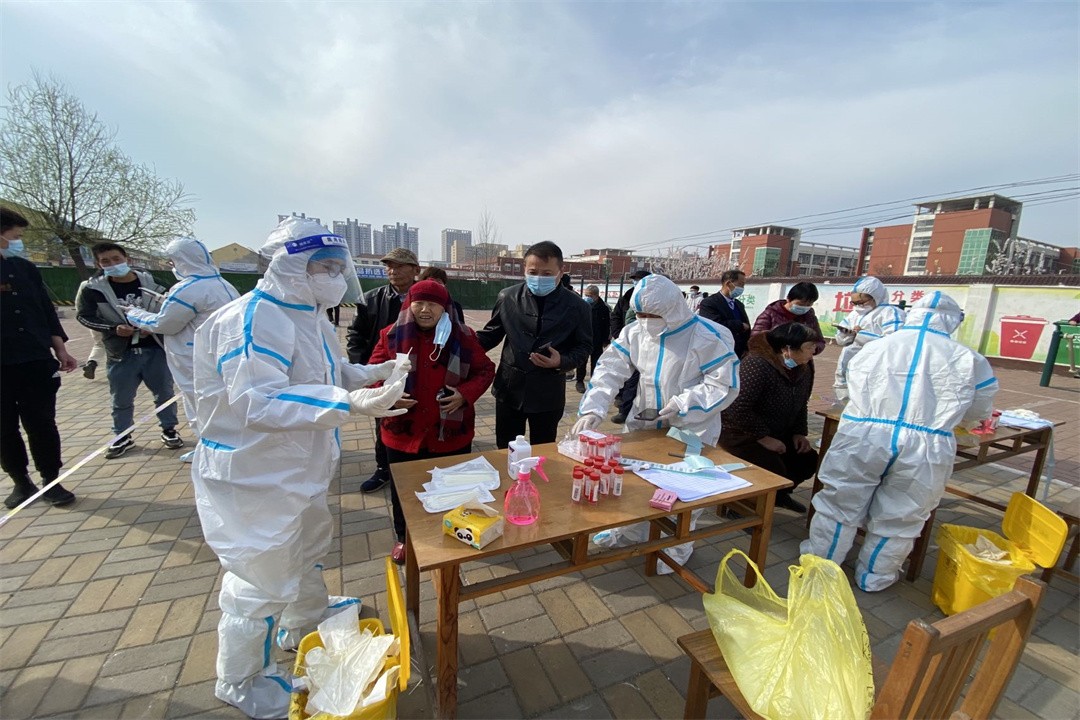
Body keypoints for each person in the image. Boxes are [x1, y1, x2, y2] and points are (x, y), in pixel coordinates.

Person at [191, 217, 409, 718]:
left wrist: (375, 372)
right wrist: (348, 402)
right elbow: (257, 400)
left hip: (298, 464)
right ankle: (242, 677)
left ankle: (305, 618)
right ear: (289, 266)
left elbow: (327, 371)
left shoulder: (309, 313)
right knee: (261, 575)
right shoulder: (253, 317)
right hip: (255, 472)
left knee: (307, 546)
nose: (333, 276)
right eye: (322, 266)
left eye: (337, 266)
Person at [802, 292, 998, 592]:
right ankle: (874, 577)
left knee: (839, 502)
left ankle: (821, 566)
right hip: (926, 444)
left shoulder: (876, 347)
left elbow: (850, 383)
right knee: (902, 514)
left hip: (864, 434)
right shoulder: (969, 359)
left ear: (913, 314)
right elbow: (979, 410)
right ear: (951, 320)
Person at [368, 279, 495, 564]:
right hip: (403, 432)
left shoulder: (463, 336)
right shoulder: (390, 335)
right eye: (420, 303)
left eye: (433, 304)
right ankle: (404, 537)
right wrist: (388, 396)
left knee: (452, 489)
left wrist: (464, 394)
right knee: (403, 493)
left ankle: (451, 532)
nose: (425, 310)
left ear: (445, 308)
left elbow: (485, 370)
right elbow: (372, 373)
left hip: (450, 433)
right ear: (409, 304)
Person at [574, 274, 740, 444]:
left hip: (692, 426)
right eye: (641, 315)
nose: (646, 322)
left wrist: (683, 403)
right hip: (644, 422)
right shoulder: (634, 332)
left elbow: (722, 384)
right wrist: (593, 409)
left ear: (673, 309)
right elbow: (609, 370)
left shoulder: (709, 335)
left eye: (653, 315)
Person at [124, 237, 240, 462]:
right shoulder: (224, 285)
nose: (172, 266)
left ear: (181, 260)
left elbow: (164, 324)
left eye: (172, 261)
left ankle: (210, 452)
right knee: (220, 404)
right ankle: (222, 448)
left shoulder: (188, 288)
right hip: (219, 353)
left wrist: (135, 314)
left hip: (193, 358)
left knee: (199, 405)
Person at [477, 241, 592, 448]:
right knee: (506, 448)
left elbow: (584, 347)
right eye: (533, 272)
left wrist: (562, 361)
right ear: (524, 268)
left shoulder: (577, 306)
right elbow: (490, 336)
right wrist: (458, 344)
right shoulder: (508, 297)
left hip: (548, 392)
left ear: (561, 271)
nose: (539, 278)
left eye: (547, 273)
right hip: (509, 390)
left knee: (544, 448)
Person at [76, 242, 184, 459]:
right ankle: (122, 436)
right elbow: (84, 316)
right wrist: (113, 328)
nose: (112, 264)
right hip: (120, 352)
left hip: (155, 349)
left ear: (127, 259)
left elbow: (172, 311)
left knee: (164, 393)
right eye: (105, 261)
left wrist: (154, 325)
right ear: (98, 264)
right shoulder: (93, 289)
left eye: (116, 259)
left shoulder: (154, 284)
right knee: (121, 398)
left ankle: (169, 429)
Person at [0, 208, 78, 508]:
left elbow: (45, 311)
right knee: (4, 428)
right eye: (15, 236)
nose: (18, 241)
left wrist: (60, 349)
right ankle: (21, 481)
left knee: (42, 423)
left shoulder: (25, 269)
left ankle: (51, 480)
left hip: (34, 360)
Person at [718, 323, 818, 513]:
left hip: (778, 432)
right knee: (772, 467)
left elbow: (801, 403)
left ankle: (779, 495)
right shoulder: (756, 364)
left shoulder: (803, 368)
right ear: (787, 349)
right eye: (809, 347)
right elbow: (737, 407)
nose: (814, 351)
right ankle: (744, 507)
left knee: (807, 460)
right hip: (740, 433)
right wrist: (763, 437)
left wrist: (799, 433)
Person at [347, 247, 419, 493]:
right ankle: (383, 469)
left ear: (415, 270)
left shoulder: (427, 299)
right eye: (389, 266)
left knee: (416, 418)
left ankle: (418, 465)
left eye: (399, 266)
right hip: (382, 372)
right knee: (383, 419)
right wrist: (367, 373)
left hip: (419, 371)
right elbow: (355, 337)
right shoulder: (370, 300)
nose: (392, 271)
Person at [832, 276, 905, 401]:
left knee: (869, 397)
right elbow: (840, 339)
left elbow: (893, 341)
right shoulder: (854, 314)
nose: (858, 306)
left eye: (861, 303)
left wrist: (861, 335)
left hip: (876, 367)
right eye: (854, 303)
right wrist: (845, 334)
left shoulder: (890, 313)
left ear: (875, 297)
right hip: (849, 368)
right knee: (847, 400)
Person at [609, 269, 650, 424]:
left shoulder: (654, 299)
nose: (636, 282)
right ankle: (623, 408)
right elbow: (615, 316)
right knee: (625, 376)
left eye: (639, 280)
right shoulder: (627, 297)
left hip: (648, 345)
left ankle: (628, 411)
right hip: (627, 343)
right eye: (634, 280)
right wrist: (620, 334)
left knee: (637, 381)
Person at [751, 281, 825, 355]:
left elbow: (820, 341)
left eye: (808, 305)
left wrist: (809, 349)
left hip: (802, 360)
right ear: (788, 299)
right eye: (800, 304)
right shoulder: (769, 314)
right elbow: (756, 339)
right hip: (775, 358)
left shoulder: (810, 317)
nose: (804, 307)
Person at [698, 270, 751, 357]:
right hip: (718, 351)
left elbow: (747, 326)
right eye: (741, 284)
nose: (742, 288)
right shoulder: (709, 303)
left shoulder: (739, 304)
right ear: (729, 284)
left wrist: (746, 347)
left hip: (738, 352)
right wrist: (740, 325)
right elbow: (714, 325)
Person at [575, 285, 610, 394]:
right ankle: (579, 381)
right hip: (583, 338)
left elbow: (606, 324)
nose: (587, 297)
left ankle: (594, 382)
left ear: (596, 296)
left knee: (596, 362)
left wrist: (606, 339)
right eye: (586, 295)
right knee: (582, 361)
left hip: (597, 339)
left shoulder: (603, 308)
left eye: (589, 295)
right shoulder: (581, 305)